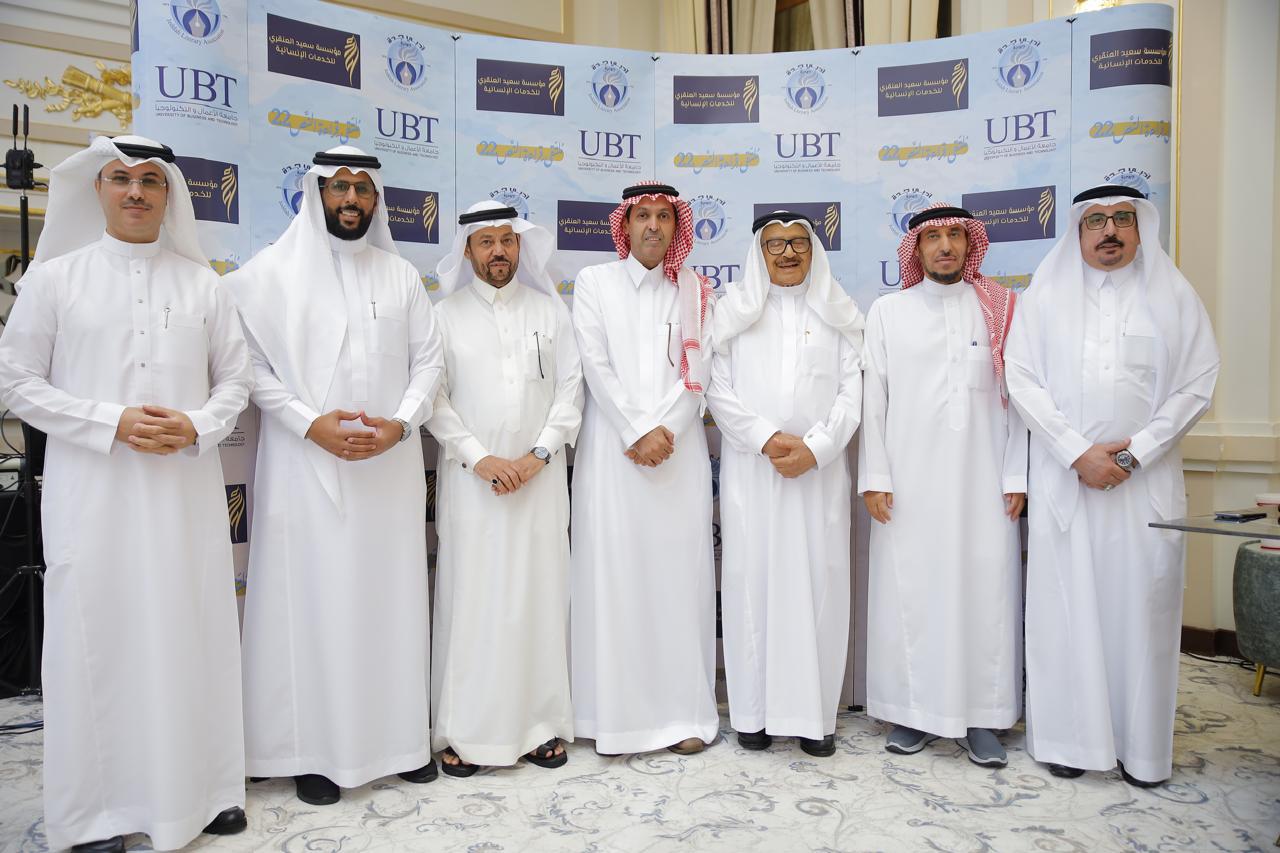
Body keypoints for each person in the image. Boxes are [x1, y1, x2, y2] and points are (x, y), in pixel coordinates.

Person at [0, 135, 252, 851]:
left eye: (150, 180)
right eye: (121, 179)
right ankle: (95, 813)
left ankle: (207, 792)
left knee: (190, 632)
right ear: (98, 189)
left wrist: (197, 425)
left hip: (183, 495)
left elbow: (235, 381)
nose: (135, 191)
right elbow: (16, 381)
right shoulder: (55, 280)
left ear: (169, 195)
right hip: (94, 496)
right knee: (99, 641)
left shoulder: (204, 285)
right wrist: (110, 422)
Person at [225, 145, 444, 805]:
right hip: (304, 466)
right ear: (316, 192)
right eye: (339, 186)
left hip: (388, 468)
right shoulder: (268, 274)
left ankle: (401, 743)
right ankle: (313, 752)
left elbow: (429, 362)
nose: (351, 198)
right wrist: (307, 423)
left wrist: (400, 424)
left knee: (389, 603)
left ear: (376, 200)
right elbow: (248, 366)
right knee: (312, 605)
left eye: (362, 188)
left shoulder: (400, 276)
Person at [1004, 185, 1219, 786]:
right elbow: (1021, 381)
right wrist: (1078, 453)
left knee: (1141, 614)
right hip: (1066, 483)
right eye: (1095, 221)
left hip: (1143, 487)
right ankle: (1070, 743)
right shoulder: (1044, 300)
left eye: (1123, 219)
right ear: (1077, 232)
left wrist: (1134, 454)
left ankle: (1140, 750)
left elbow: (1198, 384)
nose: (1110, 231)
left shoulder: (1174, 298)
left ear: (1140, 227)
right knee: (1066, 612)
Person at [859, 203, 1028, 767]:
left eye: (956, 235)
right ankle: (912, 714)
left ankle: (983, 717)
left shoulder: (999, 309)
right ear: (916, 249)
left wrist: (1016, 475)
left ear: (970, 244)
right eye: (932, 237)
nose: (946, 246)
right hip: (908, 485)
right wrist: (875, 477)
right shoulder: (888, 312)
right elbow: (874, 400)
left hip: (985, 485)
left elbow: (1018, 401)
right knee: (912, 595)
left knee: (986, 596)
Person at [426, 201, 583, 776]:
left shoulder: (550, 312)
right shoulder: (444, 317)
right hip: (474, 485)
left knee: (537, 600)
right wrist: (481, 459)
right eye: (486, 242)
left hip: (540, 483)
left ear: (520, 246)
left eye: (507, 240)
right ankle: (466, 732)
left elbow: (571, 390)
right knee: (475, 603)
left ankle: (538, 727)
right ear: (467, 250)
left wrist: (538, 456)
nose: (498, 251)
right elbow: (433, 399)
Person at [706, 211, 864, 756]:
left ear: (813, 251)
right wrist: (768, 439)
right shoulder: (732, 315)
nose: (789, 253)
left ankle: (816, 719)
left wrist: (815, 448)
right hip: (755, 473)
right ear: (759, 254)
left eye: (799, 243)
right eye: (775, 245)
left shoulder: (838, 313)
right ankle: (753, 716)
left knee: (820, 587)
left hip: (818, 476)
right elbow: (716, 388)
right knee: (752, 587)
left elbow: (853, 391)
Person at [570, 181, 718, 756]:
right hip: (613, 455)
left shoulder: (697, 291)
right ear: (625, 225)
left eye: (663, 216)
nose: (653, 226)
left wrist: (666, 431)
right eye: (642, 216)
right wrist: (636, 430)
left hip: (676, 460)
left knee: (677, 584)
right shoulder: (594, 283)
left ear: (677, 226)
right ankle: (614, 718)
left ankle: (682, 715)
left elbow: (700, 372)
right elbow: (594, 363)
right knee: (615, 582)